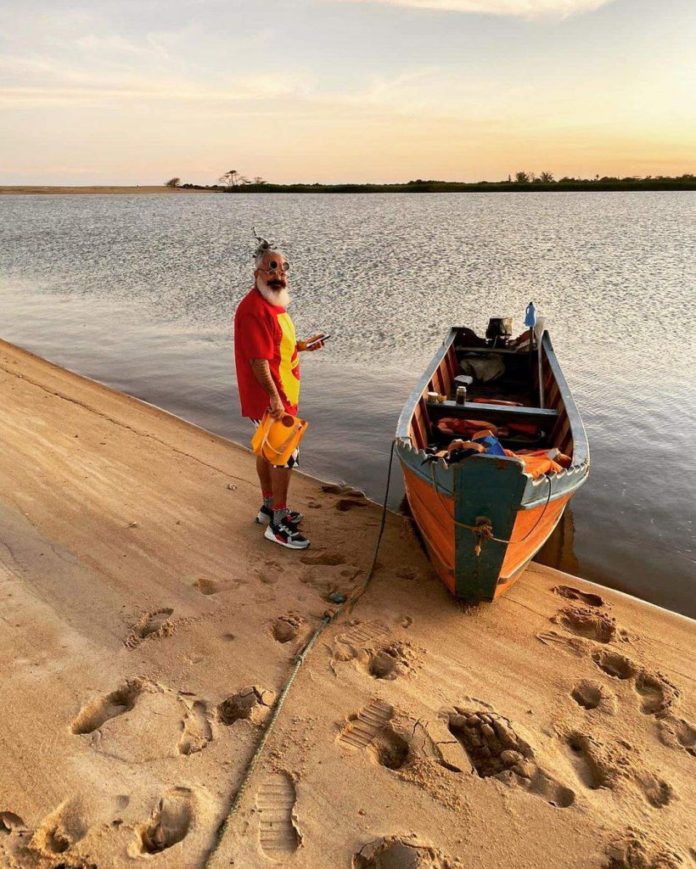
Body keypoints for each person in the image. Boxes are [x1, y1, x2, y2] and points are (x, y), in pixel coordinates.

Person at [234, 236, 325, 550]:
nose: (279, 276)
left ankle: (269, 506)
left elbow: (275, 348)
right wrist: (274, 399)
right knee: (284, 458)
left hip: (280, 391)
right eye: (271, 269)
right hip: (271, 396)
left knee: (268, 452)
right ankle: (279, 523)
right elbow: (258, 360)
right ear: (257, 273)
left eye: (283, 270)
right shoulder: (253, 309)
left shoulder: (273, 304)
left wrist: (302, 347)